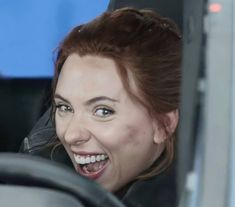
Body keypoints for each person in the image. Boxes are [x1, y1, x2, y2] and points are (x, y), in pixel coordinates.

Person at [20, 7, 182, 207]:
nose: (70, 135)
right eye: (64, 107)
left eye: (103, 111)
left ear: (164, 124)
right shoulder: (36, 180)